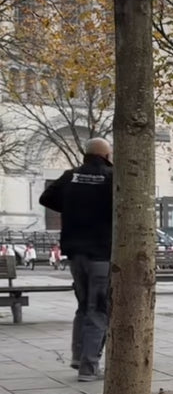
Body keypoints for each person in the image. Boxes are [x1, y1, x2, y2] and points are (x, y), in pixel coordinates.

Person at [39, 138, 113, 380]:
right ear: (106, 155)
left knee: (83, 305)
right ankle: (89, 368)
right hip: (101, 252)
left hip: (75, 252)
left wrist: (72, 207)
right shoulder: (111, 177)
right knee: (99, 309)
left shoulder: (70, 176)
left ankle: (77, 356)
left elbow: (46, 198)